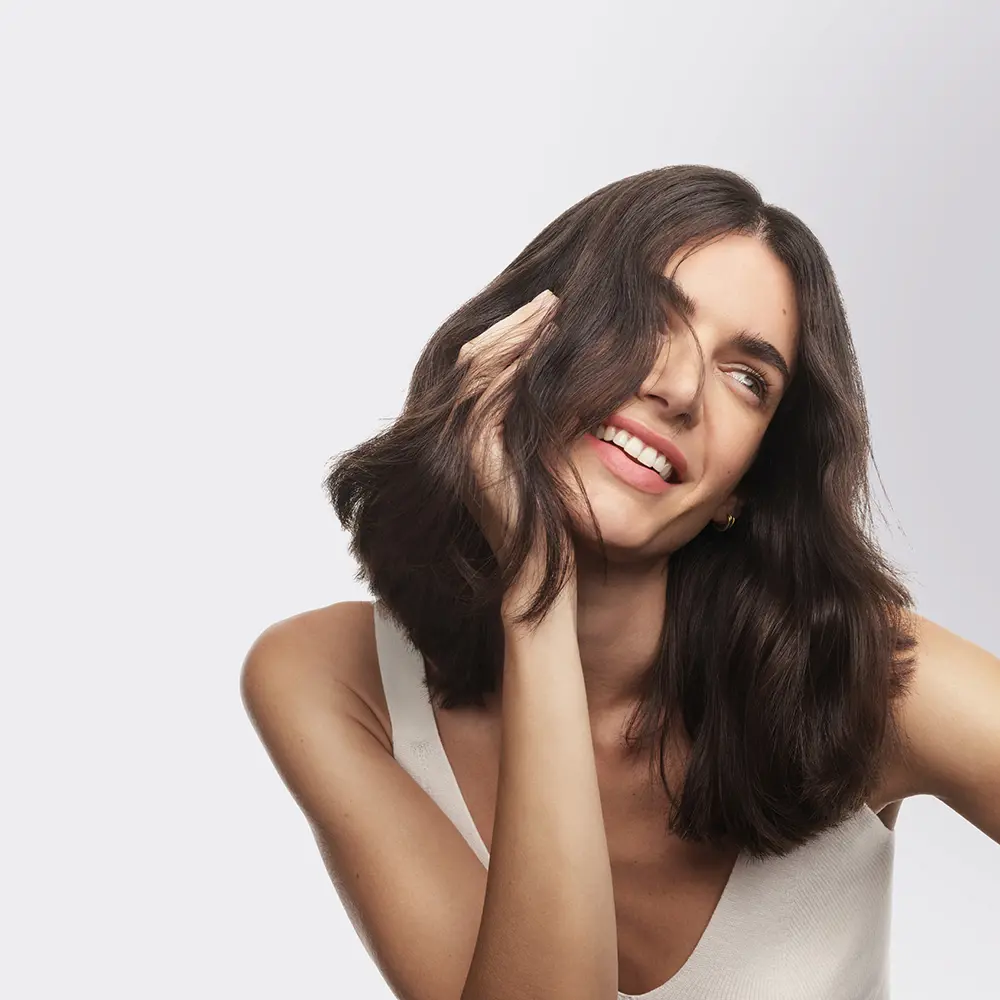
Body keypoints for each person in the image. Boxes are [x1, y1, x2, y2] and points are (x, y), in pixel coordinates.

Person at [240, 165, 1000, 1000]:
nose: (679, 390)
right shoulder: (336, 678)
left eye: (747, 379)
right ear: (521, 343)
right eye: (645, 318)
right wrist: (537, 599)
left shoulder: (868, 673)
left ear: (744, 488)